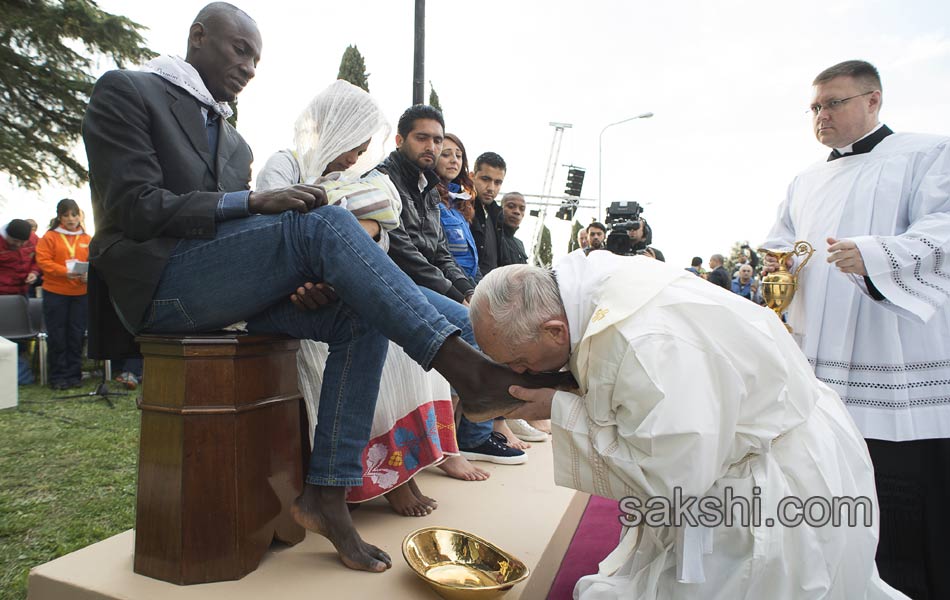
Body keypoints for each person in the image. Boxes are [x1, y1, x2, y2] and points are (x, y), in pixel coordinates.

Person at [82, 2, 569, 573]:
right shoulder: (128, 91)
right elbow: (132, 210)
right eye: (241, 50)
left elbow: (239, 247)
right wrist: (253, 203)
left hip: (223, 289)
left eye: (257, 59)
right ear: (197, 36)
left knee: (357, 313)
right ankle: (468, 368)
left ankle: (328, 493)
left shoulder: (232, 140)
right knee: (324, 220)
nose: (250, 68)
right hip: (161, 286)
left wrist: (296, 280)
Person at [468, 254, 904, 600]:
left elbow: (670, 478)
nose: (520, 372)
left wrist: (559, 408)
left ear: (554, 329)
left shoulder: (641, 344)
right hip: (758, 437)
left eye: (520, 361)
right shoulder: (582, 286)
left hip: (774, 484)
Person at [761, 59, 950, 599]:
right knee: (833, 488)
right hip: (821, 357)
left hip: (896, 355)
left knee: (901, 501)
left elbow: (944, 229)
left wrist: (873, 255)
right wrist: (778, 270)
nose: (822, 115)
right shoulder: (805, 181)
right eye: (815, 106)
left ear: (874, 101)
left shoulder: (930, 152)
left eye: (835, 103)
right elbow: (783, 246)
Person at [257, 79, 460, 515]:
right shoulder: (285, 167)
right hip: (293, 297)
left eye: (363, 147)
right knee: (383, 338)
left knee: (410, 345)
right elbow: (274, 238)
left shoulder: (348, 181)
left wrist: (354, 237)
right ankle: (383, 478)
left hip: (337, 287)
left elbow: (374, 238)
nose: (356, 156)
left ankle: (402, 469)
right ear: (332, 129)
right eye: (353, 143)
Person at [376, 108, 525, 469]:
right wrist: (454, 293)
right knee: (473, 326)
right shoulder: (384, 179)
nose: (432, 146)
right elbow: (402, 249)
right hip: (396, 281)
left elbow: (441, 252)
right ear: (400, 140)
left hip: (427, 282)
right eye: (422, 138)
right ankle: (463, 441)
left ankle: (474, 433)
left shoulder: (429, 189)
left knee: (490, 319)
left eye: (437, 139)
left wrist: (470, 291)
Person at [35, 199, 91, 389]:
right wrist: (64, 272)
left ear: (79, 216)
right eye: (66, 215)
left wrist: (88, 275)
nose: (71, 219)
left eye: (74, 215)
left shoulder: (86, 239)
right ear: (59, 217)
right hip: (56, 292)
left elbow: (95, 262)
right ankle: (58, 377)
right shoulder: (50, 237)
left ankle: (75, 375)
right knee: (58, 334)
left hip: (80, 293)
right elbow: (43, 261)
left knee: (76, 335)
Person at [435, 133, 479, 284]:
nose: (454, 160)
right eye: (446, 154)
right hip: (449, 284)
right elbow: (441, 256)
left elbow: (471, 257)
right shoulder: (430, 199)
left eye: (459, 156)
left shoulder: (459, 202)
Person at [1, 219, 40, 384]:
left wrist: (34, 272)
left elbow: (39, 260)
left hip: (22, 293)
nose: (18, 245)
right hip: (2, 295)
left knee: (21, 338)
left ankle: (21, 373)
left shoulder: (33, 240)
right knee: (4, 337)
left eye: (22, 242)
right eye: (15, 241)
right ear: (7, 235)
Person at [469, 152, 506, 276]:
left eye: (497, 182)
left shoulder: (496, 216)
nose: (491, 188)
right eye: (485, 179)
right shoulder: (461, 209)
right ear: (472, 176)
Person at [496, 192, 528, 267]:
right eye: (511, 206)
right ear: (501, 208)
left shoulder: (519, 244)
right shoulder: (492, 236)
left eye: (522, 209)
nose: (517, 211)